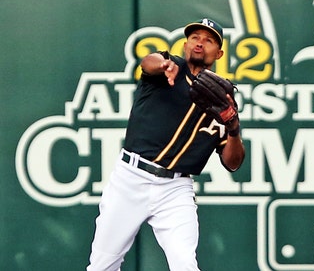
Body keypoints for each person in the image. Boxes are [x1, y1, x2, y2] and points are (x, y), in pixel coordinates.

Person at [87, 18, 245, 271]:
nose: (200, 43)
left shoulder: (223, 97)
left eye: (209, 39)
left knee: (185, 265)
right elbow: (147, 63)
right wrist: (163, 65)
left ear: (219, 52)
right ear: (185, 44)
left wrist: (234, 127)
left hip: (175, 189)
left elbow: (233, 163)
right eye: (195, 37)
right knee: (102, 265)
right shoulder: (168, 69)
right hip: (131, 177)